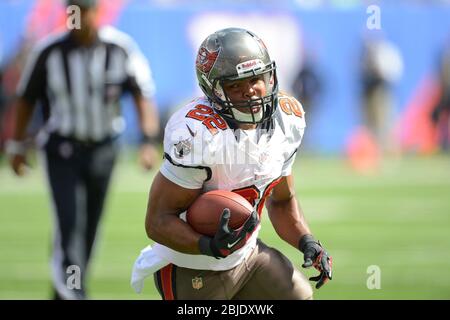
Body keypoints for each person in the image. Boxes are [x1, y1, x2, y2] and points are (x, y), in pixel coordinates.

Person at [131, 28, 332, 300]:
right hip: (192, 265)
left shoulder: (287, 119)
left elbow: (282, 200)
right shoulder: (196, 133)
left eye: (256, 79)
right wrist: (206, 244)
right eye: (235, 85)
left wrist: (306, 240)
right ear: (213, 90)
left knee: (300, 296)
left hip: (247, 254)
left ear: (270, 76)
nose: (250, 91)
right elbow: (157, 221)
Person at [6, 0, 160, 300]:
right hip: (62, 149)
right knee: (69, 224)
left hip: (103, 149)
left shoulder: (120, 48)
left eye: (85, 11)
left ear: (96, 13)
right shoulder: (49, 51)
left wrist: (147, 140)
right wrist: (17, 143)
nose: (79, 19)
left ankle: (66, 288)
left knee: (90, 228)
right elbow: (26, 98)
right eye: (73, 11)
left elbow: (143, 94)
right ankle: (73, 294)